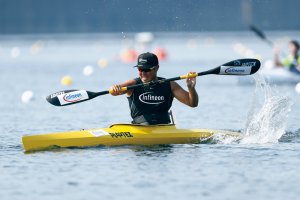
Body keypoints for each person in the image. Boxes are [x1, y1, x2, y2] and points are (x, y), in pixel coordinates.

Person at [109, 52, 198, 125]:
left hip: (164, 129)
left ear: (156, 68)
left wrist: (191, 88)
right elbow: (116, 91)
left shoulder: (170, 85)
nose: (143, 73)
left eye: (147, 70)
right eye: (140, 69)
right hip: (140, 129)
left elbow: (192, 103)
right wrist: (115, 88)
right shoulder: (133, 84)